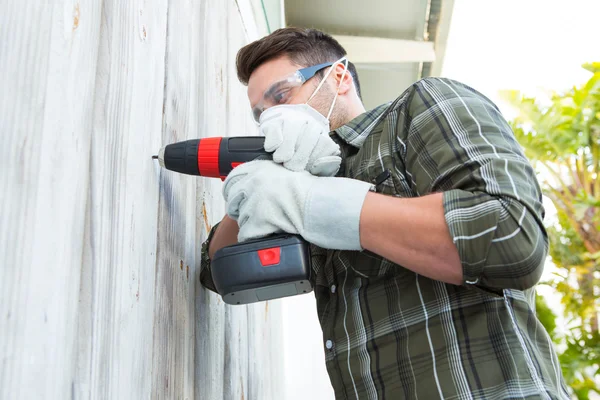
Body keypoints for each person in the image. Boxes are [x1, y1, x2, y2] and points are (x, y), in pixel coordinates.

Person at [199, 27, 569, 399]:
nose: (272, 117)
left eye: (282, 95)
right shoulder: (291, 182)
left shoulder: (418, 107)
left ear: (339, 78)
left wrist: (312, 203)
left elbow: (511, 233)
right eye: (261, 114)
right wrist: (260, 186)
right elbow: (217, 271)